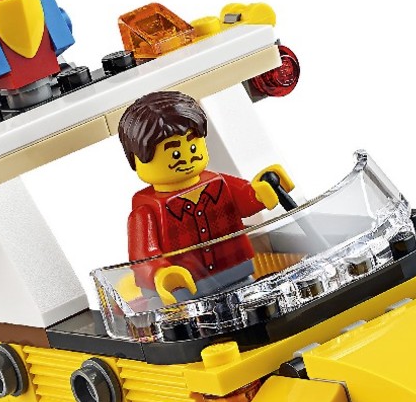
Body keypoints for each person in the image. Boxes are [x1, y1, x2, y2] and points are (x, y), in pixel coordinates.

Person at [118, 91, 292, 304]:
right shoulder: (145, 211)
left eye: (192, 147)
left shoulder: (218, 182)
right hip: (186, 295)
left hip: (237, 275)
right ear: (136, 159)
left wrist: (262, 190)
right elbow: (143, 255)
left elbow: (247, 200)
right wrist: (160, 273)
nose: (187, 158)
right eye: (175, 153)